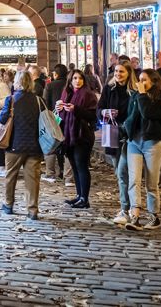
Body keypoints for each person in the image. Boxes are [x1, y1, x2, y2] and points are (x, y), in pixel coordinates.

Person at [123, 69, 161, 230]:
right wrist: (126, 129)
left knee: (151, 182)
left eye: (144, 80)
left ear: (153, 81)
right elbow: (131, 116)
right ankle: (135, 216)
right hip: (135, 142)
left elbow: (148, 114)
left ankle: (153, 215)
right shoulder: (136, 96)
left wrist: (142, 95)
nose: (141, 83)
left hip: (152, 142)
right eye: (140, 79)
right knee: (134, 180)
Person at [0, 70, 45, 220]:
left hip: (14, 145)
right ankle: (32, 210)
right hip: (34, 146)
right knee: (33, 180)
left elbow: (2, 119)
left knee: (10, 176)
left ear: (17, 82)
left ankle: (8, 204)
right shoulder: (39, 101)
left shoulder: (11, 100)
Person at [56, 69, 98, 209]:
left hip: (82, 135)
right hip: (68, 135)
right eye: (74, 78)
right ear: (70, 80)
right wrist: (59, 108)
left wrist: (76, 109)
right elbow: (61, 116)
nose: (77, 81)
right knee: (74, 166)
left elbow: (92, 115)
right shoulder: (66, 93)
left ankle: (84, 198)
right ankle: (79, 196)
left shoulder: (88, 94)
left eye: (80, 78)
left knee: (82, 166)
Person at [98, 62, 134, 224]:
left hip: (128, 134)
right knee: (118, 171)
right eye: (116, 71)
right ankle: (127, 206)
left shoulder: (133, 90)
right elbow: (99, 109)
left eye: (121, 71)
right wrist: (104, 112)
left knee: (123, 172)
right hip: (111, 133)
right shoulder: (108, 89)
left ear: (128, 73)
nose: (118, 74)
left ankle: (127, 208)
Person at [41, 64, 71, 184]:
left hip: (53, 119)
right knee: (67, 145)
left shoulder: (50, 85)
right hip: (68, 118)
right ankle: (67, 175)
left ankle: (50, 173)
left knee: (51, 145)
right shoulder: (69, 85)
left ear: (56, 74)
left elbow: (45, 103)